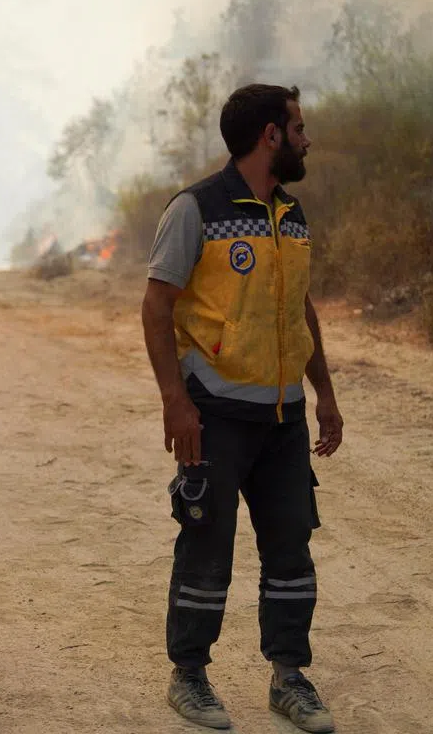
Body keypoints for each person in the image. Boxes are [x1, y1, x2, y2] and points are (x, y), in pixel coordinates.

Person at [142, 84, 341, 733]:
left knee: (291, 551)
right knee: (207, 546)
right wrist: (175, 401)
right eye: (299, 128)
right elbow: (157, 304)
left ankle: (289, 678)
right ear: (271, 135)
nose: (307, 139)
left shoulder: (293, 213)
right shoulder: (195, 209)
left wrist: (325, 395)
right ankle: (190, 677)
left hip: (282, 420)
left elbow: (300, 308)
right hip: (216, 416)